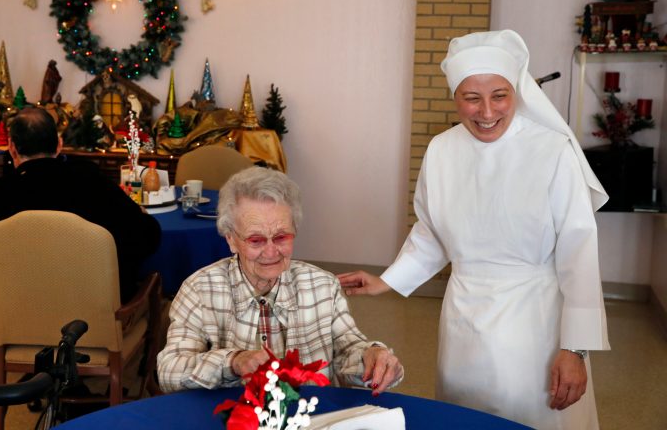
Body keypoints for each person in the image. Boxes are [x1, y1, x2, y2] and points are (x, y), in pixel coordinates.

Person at [338, 30, 610, 430]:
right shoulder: (442, 150)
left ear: (517, 91)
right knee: (463, 417)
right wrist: (388, 281)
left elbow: (579, 253)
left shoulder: (552, 152)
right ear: (455, 98)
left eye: (499, 95)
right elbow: (432, 232)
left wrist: (575, 349)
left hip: (535, 323)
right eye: (471, 98)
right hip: (464, 320)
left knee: (531, 417)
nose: (486, 112)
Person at [157, 167, 403, 395]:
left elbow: (347, 350)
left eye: (281, 237)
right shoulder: (199, 290)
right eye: (256, 240)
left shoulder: (323, 286)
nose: (271, 251)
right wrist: (232, 361)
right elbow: (169, 372)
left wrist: (371, 357)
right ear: (231, 240)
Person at [0, 107, 160, 303]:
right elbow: (146, 237)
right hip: (90, 314)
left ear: (12, 148)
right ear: (59, 145)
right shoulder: (91, 181)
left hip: (21, 311)